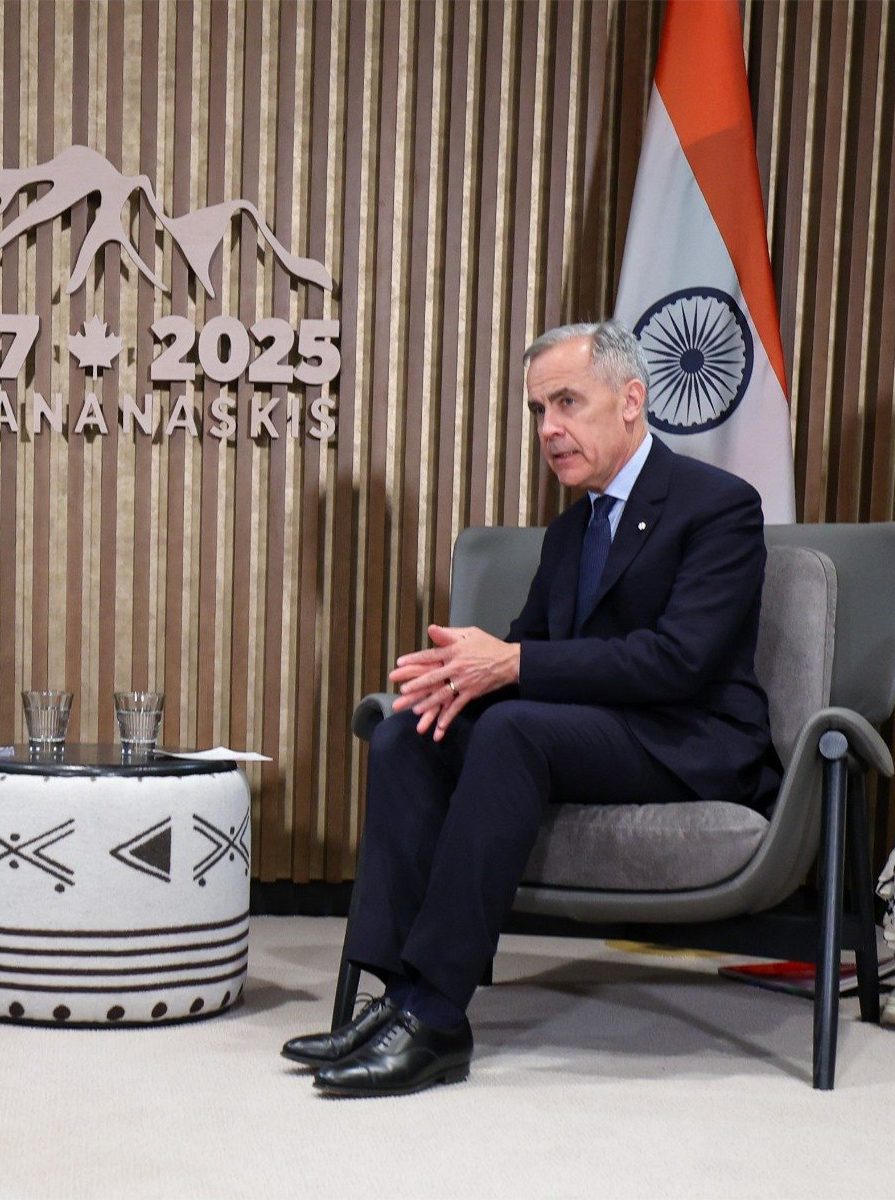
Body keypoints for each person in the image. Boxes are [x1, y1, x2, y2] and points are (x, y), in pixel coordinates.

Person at [281, 319, 780, 1097]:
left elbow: (679, 662)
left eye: (567, 403)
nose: (548, 429)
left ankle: (438, 1017)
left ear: (631, 401)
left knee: (515, 729)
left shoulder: (718, 505)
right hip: (593, 732)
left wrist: (510, 664)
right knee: (409, 732)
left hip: (689, 738)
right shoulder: (571, 529)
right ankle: (396, 997)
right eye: (538, 410)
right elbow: (532, 651)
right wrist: (459, 678)